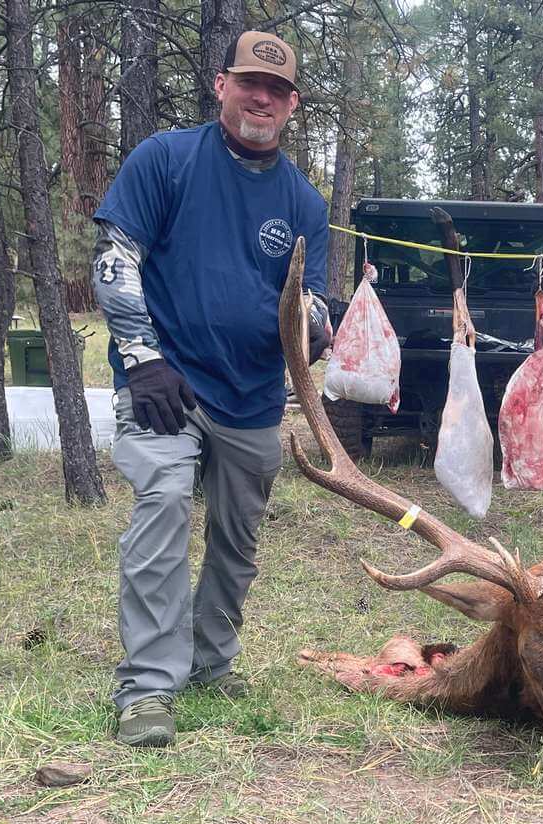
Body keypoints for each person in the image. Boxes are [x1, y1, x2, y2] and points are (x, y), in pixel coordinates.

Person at [92, 31, 331, 747]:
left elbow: (310, 301)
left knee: (238, 539)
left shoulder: (303, 202)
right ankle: (147, 687)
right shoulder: (165, 159)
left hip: (252, 397)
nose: (262, 99)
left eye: (277, 90)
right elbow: (115, 258)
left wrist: (319, 324)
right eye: (249, 83)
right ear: (222, 85)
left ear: (291, 105)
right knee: (163, 503)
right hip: (164, 385)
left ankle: (211, 662)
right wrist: (142, 359)